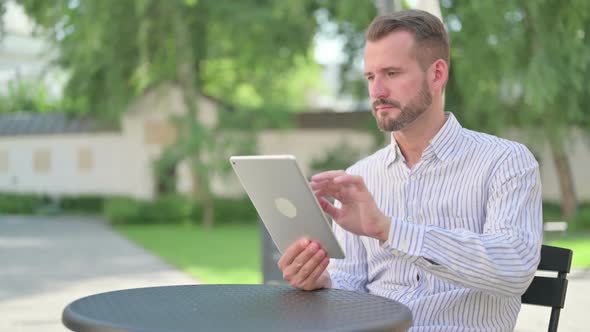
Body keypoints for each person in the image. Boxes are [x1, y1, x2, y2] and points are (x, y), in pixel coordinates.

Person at [277, 9, 542, 332]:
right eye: (371, 77)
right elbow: (352, 281)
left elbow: (514, 267)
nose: (377, 92)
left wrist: (389, 230)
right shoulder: (362, 176)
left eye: (391, 73)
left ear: (437, 74)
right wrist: (323, 280)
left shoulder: (505, 162)